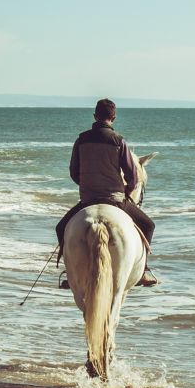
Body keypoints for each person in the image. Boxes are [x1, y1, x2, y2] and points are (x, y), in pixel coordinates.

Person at [55, 98, 158, 287]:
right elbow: (133, 176)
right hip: (116, 200)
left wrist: (88, 186)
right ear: (114, 118)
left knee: (61, 228)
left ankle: (70, 274)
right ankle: (143, 271)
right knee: (148, 225)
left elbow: (73, 172)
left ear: (95, 116)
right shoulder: (119, 141)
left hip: (88, 200)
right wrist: (126, 190)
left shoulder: (81, 140)